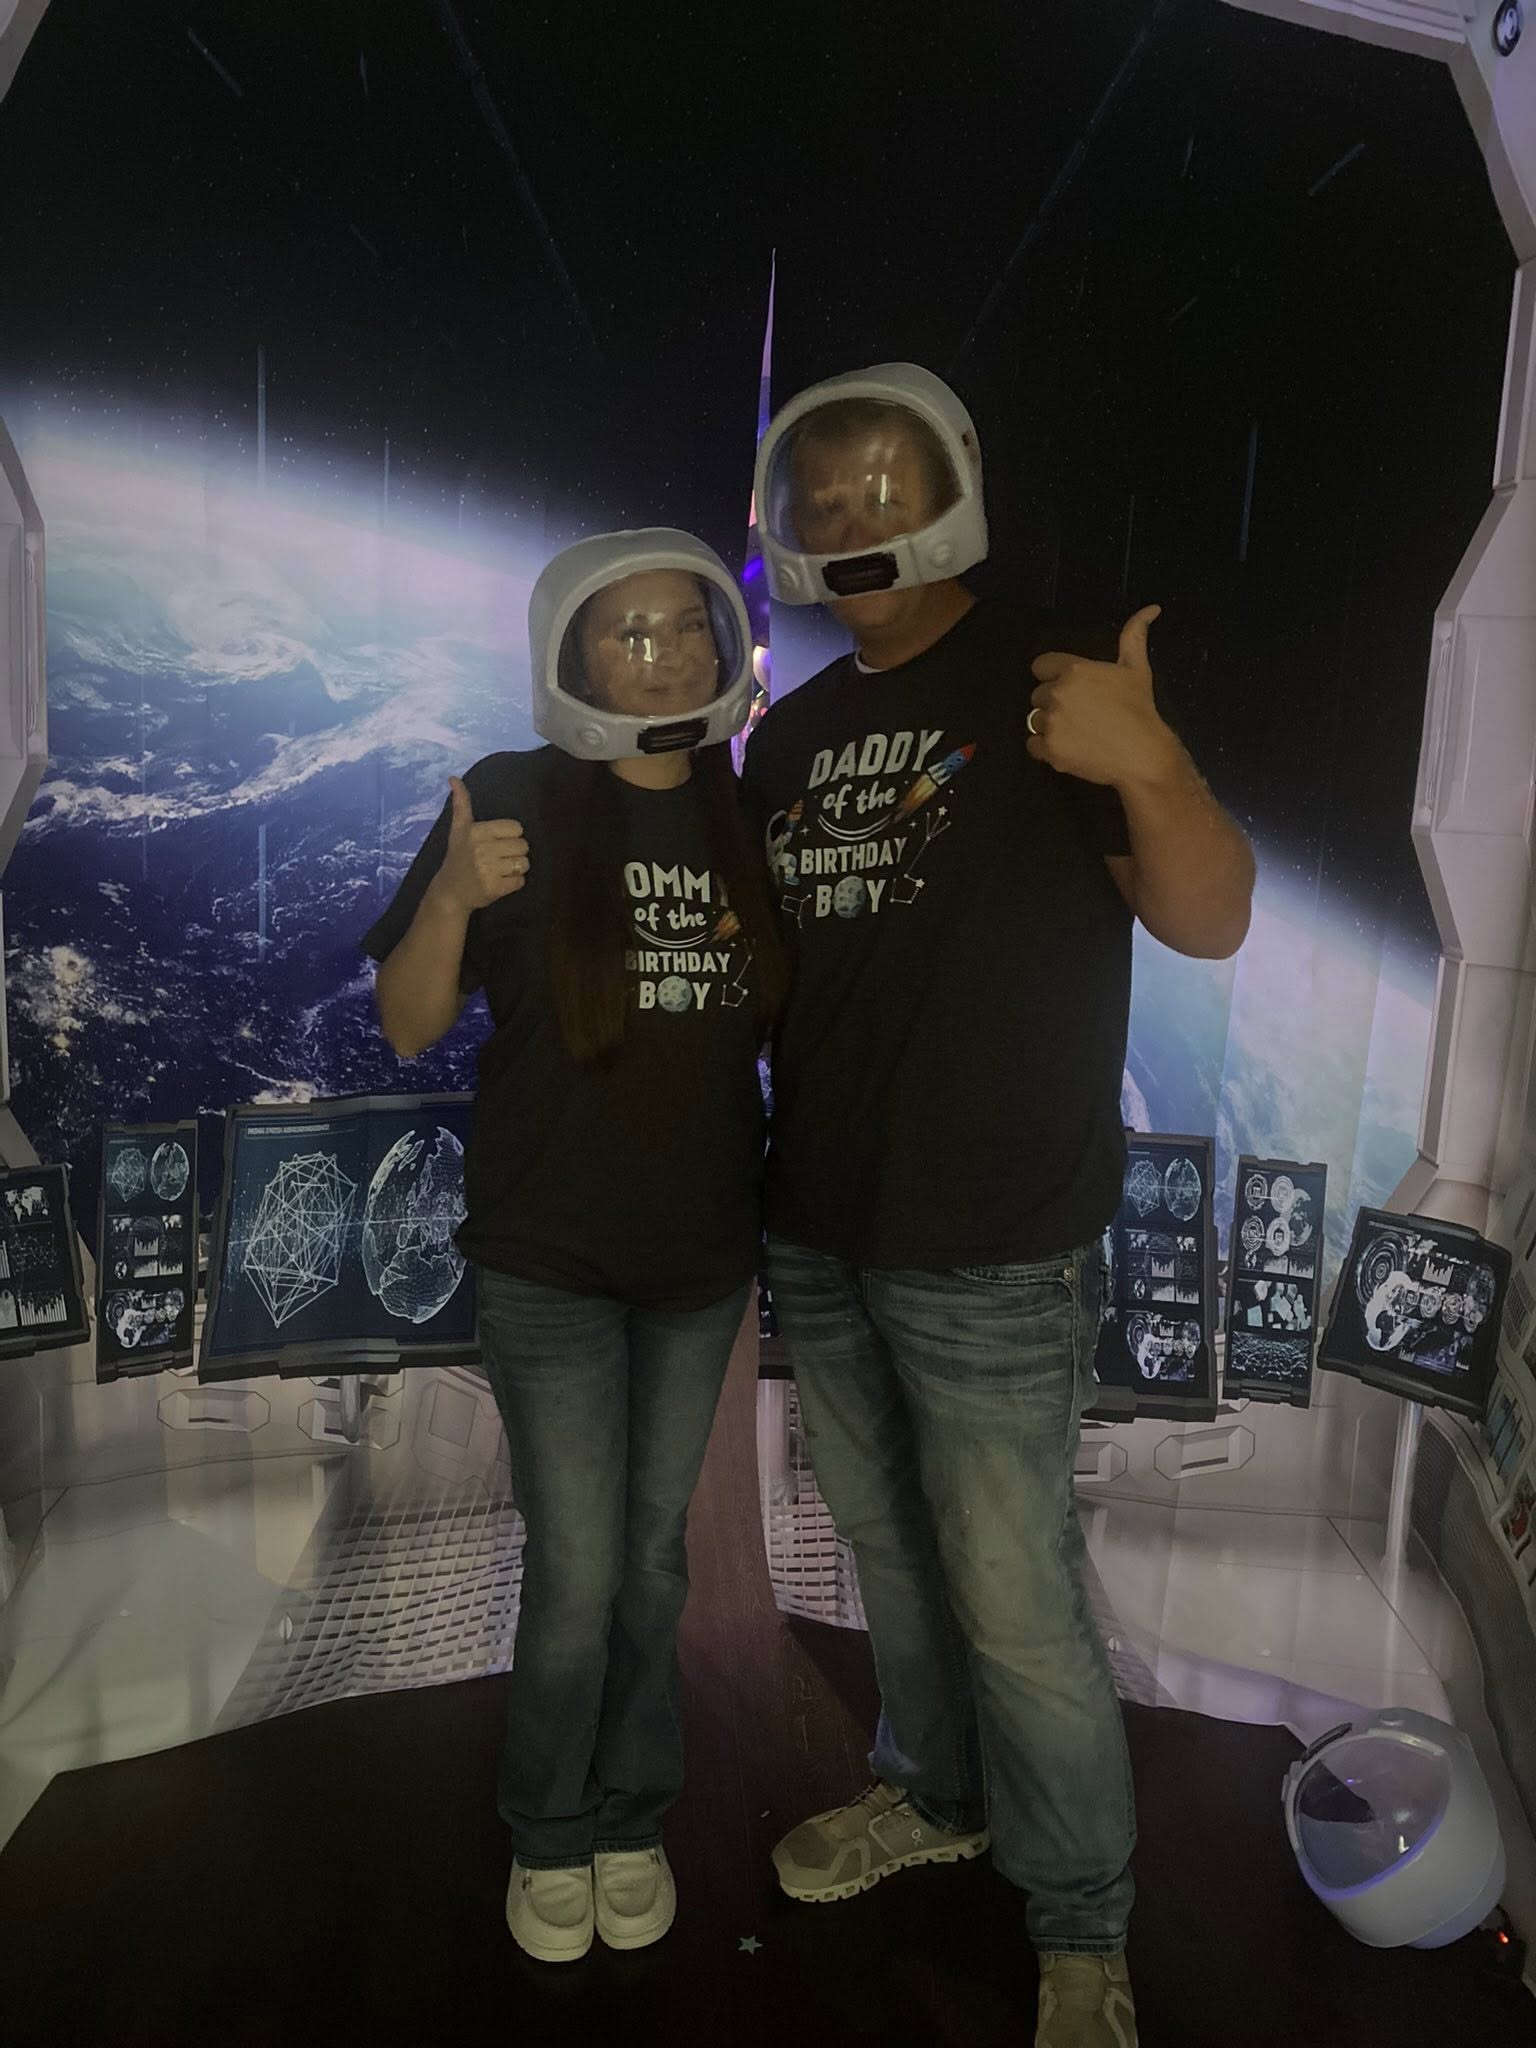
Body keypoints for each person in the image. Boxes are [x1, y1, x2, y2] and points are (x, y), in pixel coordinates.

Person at [741, 364, 1255, 2048]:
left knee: (1016, 1597)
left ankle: (1083, 1924)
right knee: (892, 1555)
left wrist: (1150, 761)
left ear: (953, 482)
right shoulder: (791, 737)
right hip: (824, 1225)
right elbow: (778, 980)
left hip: (999, 1245)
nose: (852, 520)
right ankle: (937, 1793)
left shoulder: (1056, 676)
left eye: (882, 485)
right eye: (821, 497)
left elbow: (1211, 919)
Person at [361, 529, 785, 1964]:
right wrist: (450, 897)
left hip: (697, 1263)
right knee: (579, 1569)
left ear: (723, 645)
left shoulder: (743, 813)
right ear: (575, 658)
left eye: (687, 627)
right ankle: (548, 1826)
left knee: (653, 1564)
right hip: (547, 1260)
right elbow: (409, 1022)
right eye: (628, 633)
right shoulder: (513, 797)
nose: (663, 655)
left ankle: (630, 1810)